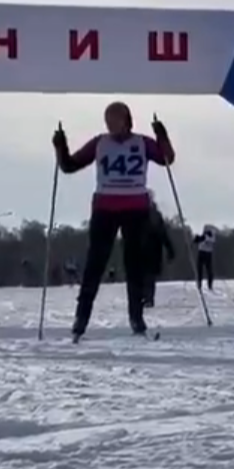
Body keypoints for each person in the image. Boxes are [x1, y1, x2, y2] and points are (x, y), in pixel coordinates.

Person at [52, 101, 175, 339]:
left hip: (135, 208)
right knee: (95, 264)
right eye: (108, 121)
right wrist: (60, 145)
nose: (111, 125)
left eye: (115, 120)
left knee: (134, 265)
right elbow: (69, 165)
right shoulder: (100, 143)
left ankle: (136, 317)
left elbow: (167, 158)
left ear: (127, 120)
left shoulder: (142, 143)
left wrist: (162, 134)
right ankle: (81, 318)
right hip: (105, 208)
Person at [137, 196, 175, 308]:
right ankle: (146, 297)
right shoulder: (142, 214)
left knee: (147, 275)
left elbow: (162, 233)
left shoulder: (146, 214)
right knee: (146, 275)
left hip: (148, 248)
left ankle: (147, 297)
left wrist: (169, 248)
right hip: (146, 248)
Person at [193, 225, 217, 290]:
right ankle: (199, 283)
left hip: (207, 253)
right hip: (202, 252)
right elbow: (197, 240)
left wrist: (202, 238)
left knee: (209, 270)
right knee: (200, 269)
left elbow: (209, 240)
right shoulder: (205, 236)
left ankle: (209, 284)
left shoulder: (211, 237)